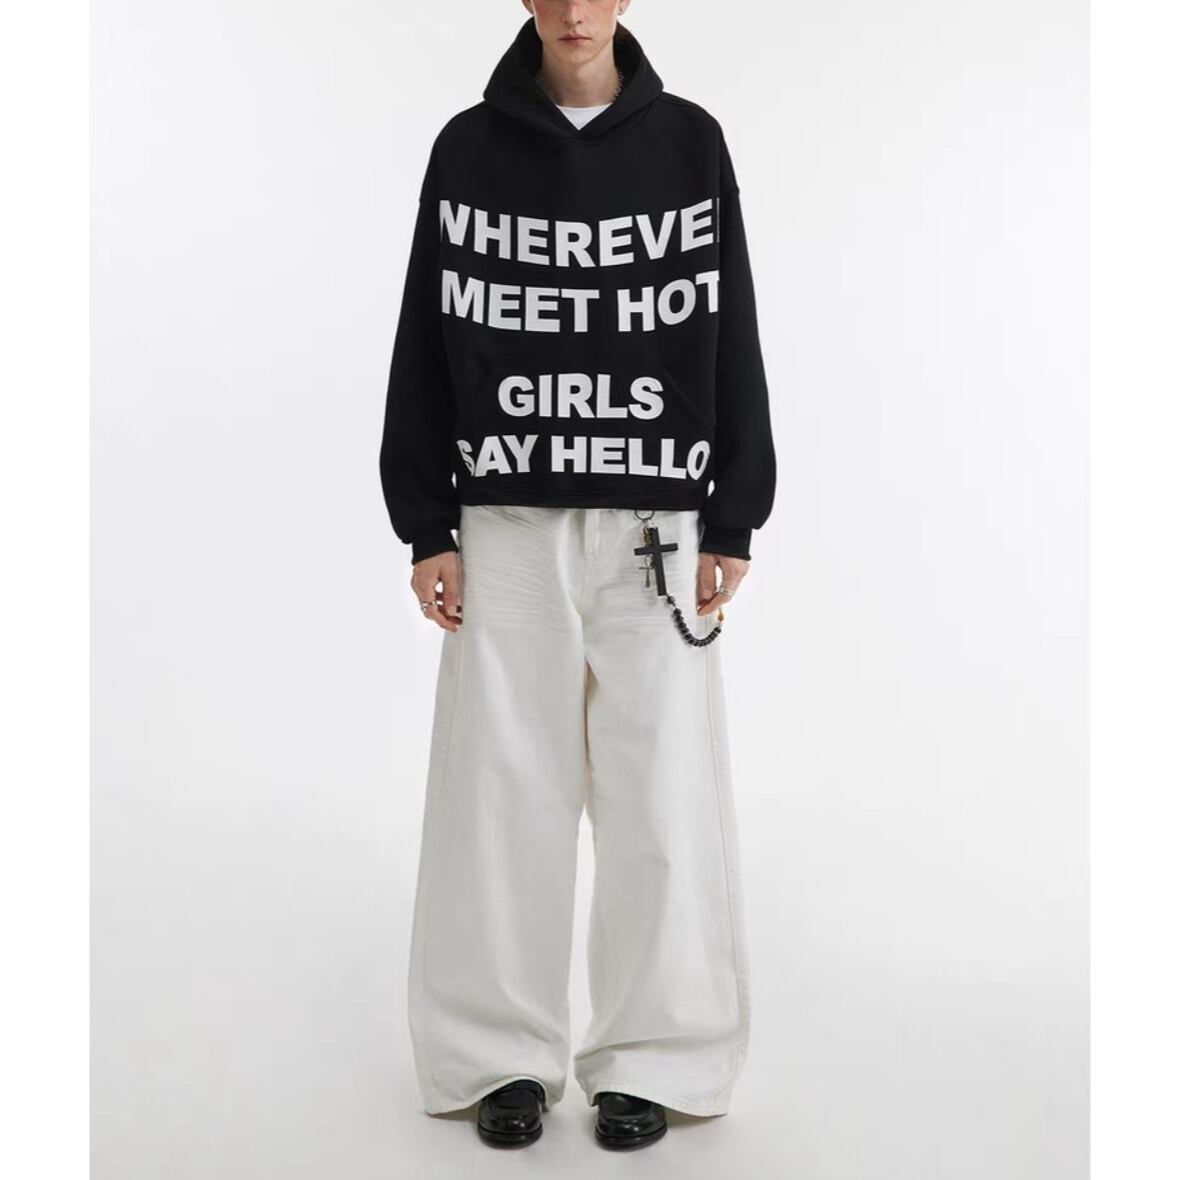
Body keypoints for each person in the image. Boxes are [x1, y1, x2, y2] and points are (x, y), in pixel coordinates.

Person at [378, 0, 776, 1152]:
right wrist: (426, 521)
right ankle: (496, 1054)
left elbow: (730, 321)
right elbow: (424, 333)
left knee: (662, 795)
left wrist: (733, 511)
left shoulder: (690, 144)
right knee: (499, 794)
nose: (572, 8)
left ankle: (655, 1055)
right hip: (505, 517)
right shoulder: (467, 149)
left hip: (655, 516)